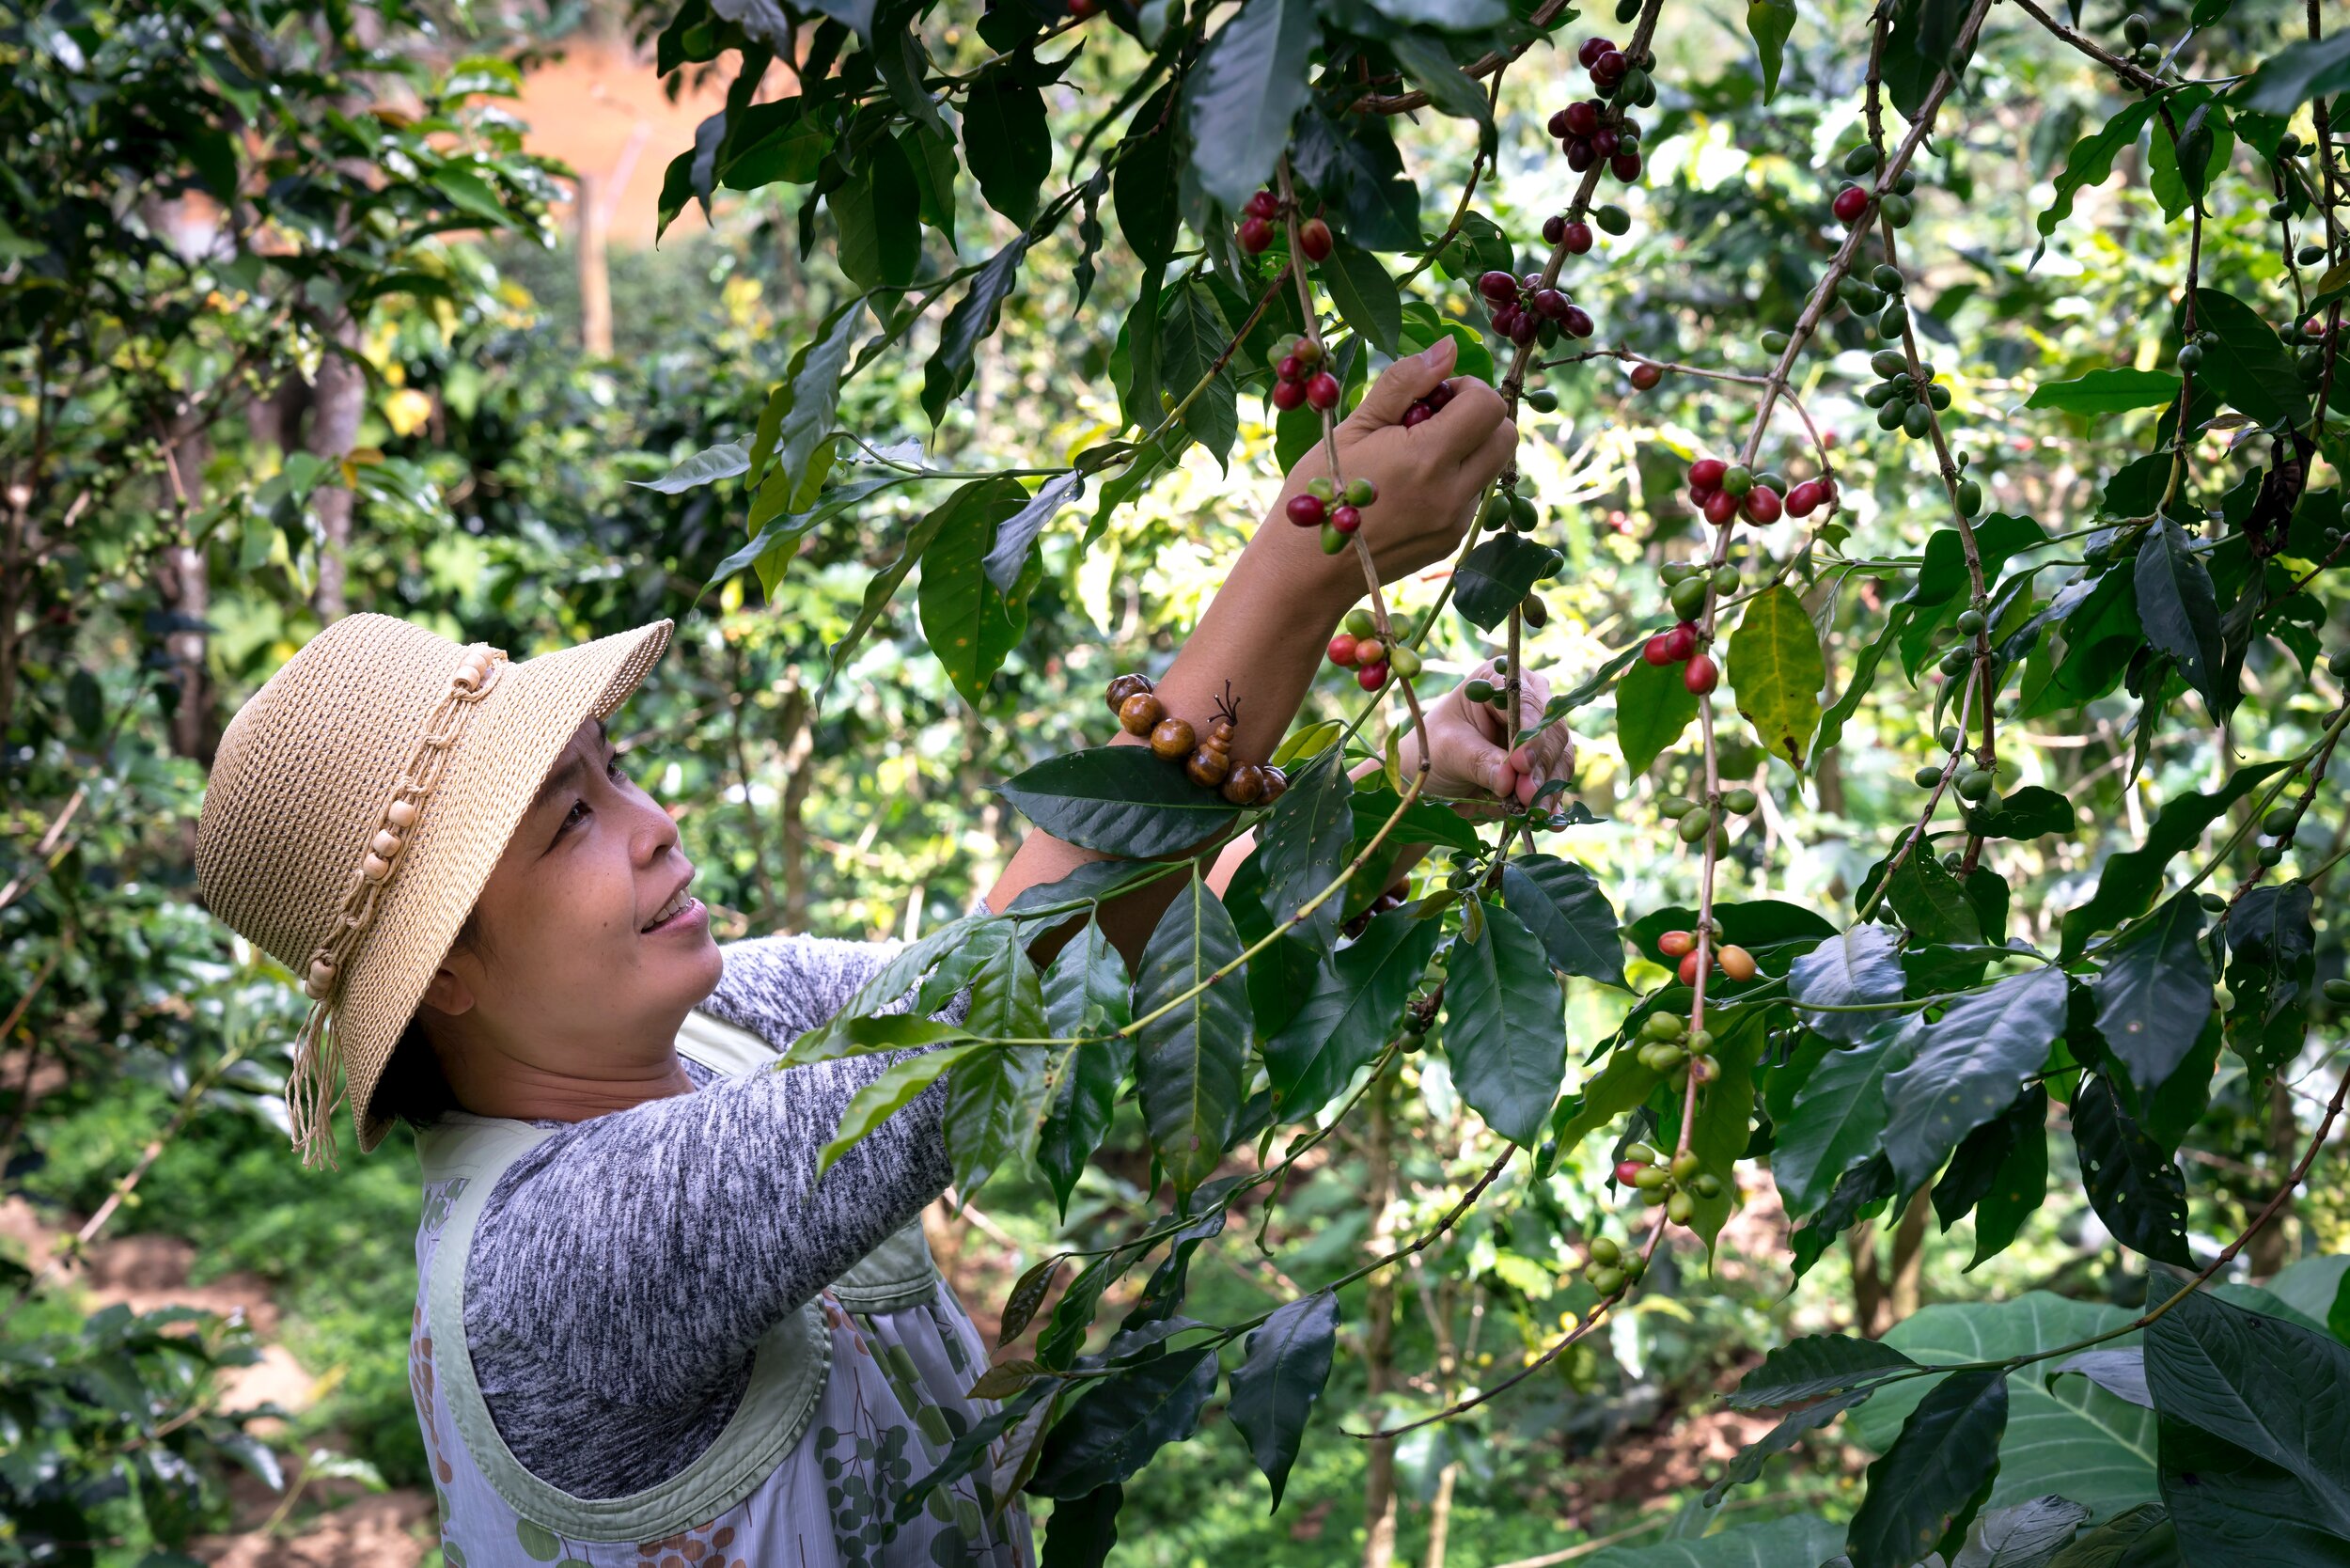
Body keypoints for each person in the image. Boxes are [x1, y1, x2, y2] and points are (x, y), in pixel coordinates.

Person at [192, 336, 1573, 1567]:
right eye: (569, 825)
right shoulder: (550, 1263)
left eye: (615, 776)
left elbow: (1057, 956)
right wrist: (1297, 569)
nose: (657, 825)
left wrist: (1392, 782)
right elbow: (978, 1017)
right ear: (444, 975)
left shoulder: (728, 1022)